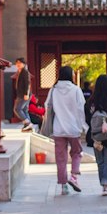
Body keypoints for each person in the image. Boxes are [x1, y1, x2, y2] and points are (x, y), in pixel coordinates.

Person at [44, 63, 87, 195]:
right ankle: (74, 177)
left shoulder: (54, 90)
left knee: (61, 158)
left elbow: (47, 106)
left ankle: (63, 186)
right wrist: (83, 126)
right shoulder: (76, 90)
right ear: (71, 76)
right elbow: (81, 108)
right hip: (73, 128)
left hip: (58, 128)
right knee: (77, 153)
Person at [12, 57, 32, 131]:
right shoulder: (20, 71)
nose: (18, 64)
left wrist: (26, 93)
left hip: (24, 94)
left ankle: (28, 123)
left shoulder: (25, 72)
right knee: (24, 109)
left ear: (24, 64)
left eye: (19, 63)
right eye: (17, 63)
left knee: (17, 109)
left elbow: (27, 83)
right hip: (21, 94)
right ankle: (28, 126)